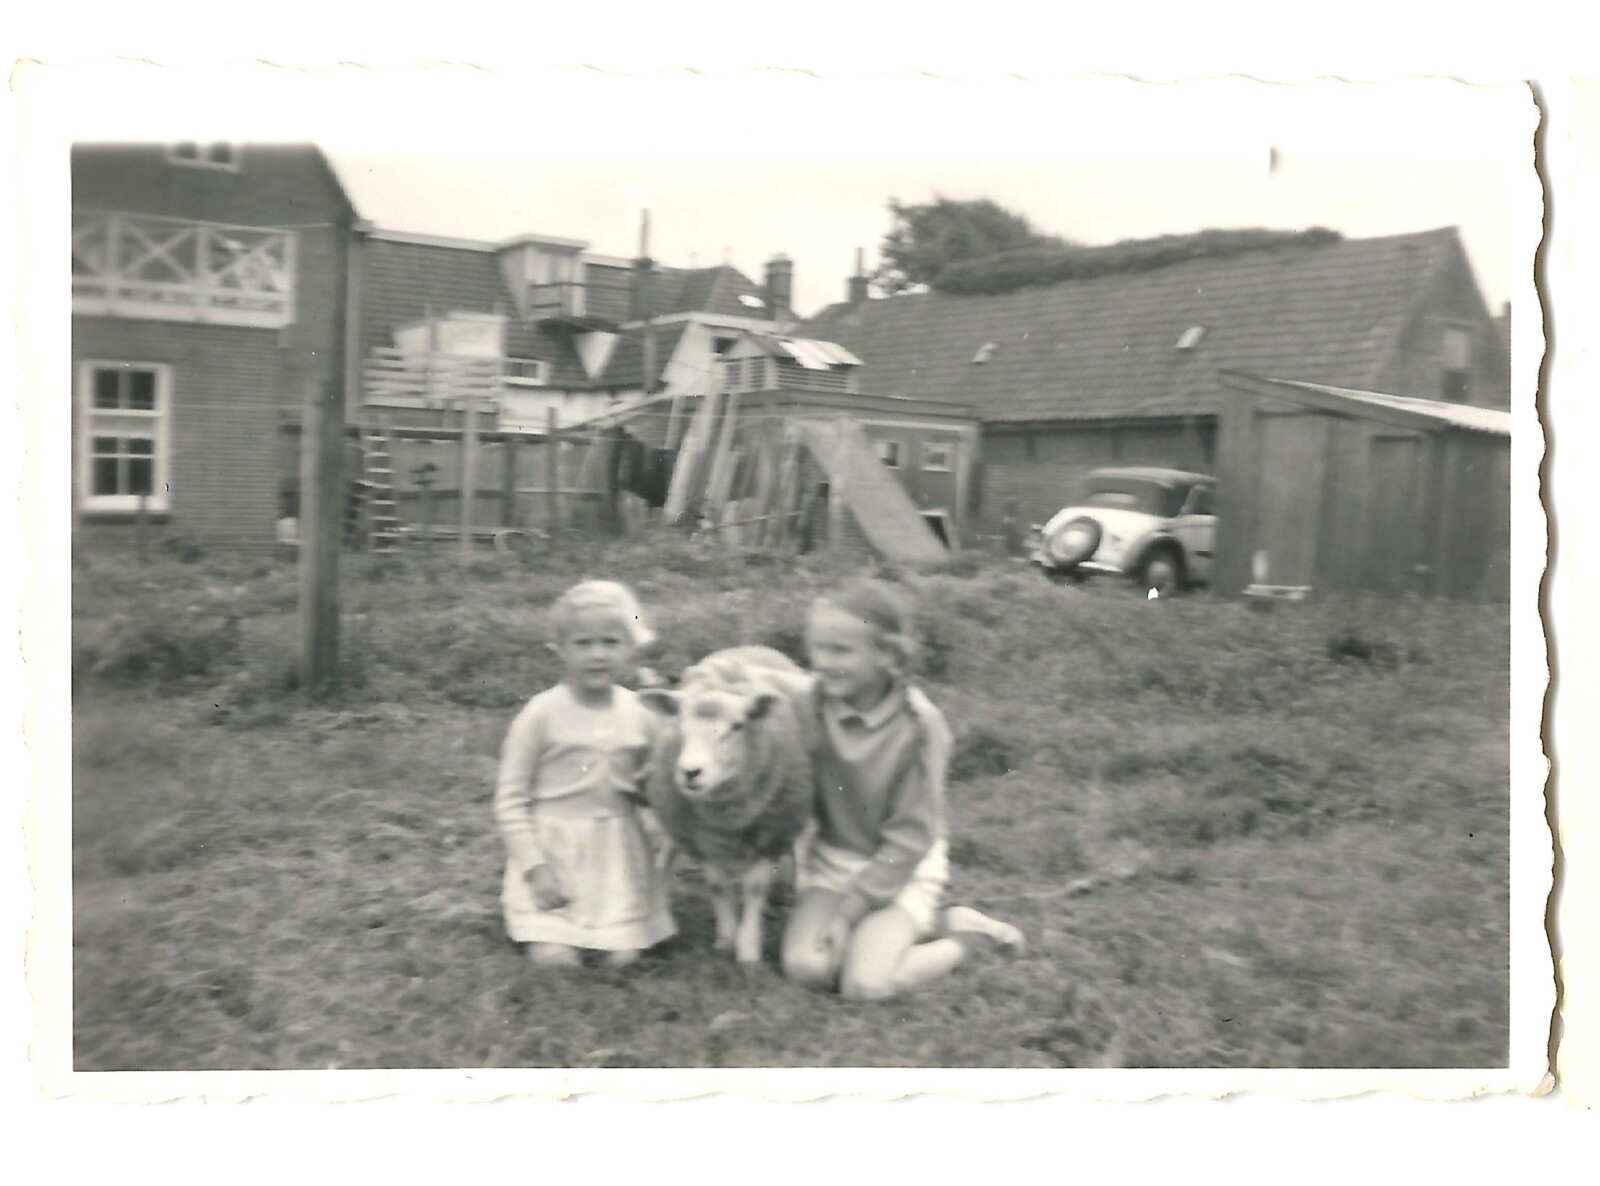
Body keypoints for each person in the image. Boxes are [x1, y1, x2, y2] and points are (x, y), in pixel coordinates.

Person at [781, 581, 1024, 1000]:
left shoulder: (919, 727)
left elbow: (910, 838)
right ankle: (927, 923)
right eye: (816, 648)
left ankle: (964, 940)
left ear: (887, 656)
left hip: (900, 868)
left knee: (865, 986)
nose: (821, 662)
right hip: (832, 864)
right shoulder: (808, 704)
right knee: (806, 967)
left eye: (840, 651)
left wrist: (848, 914)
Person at [493, 580, 675, 968]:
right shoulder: (541, 714)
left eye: (610, 643)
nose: (597, 655)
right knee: (555, 958)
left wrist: (653, 803)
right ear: (559, 649)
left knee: (622, 959)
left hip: (617, 855)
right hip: (556, 852)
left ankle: (620, 931)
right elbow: (510, 800)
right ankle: (550, 931)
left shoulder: (641, 712)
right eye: (583, 643)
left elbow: (659, 781)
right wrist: (535, 868)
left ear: (630, 647)